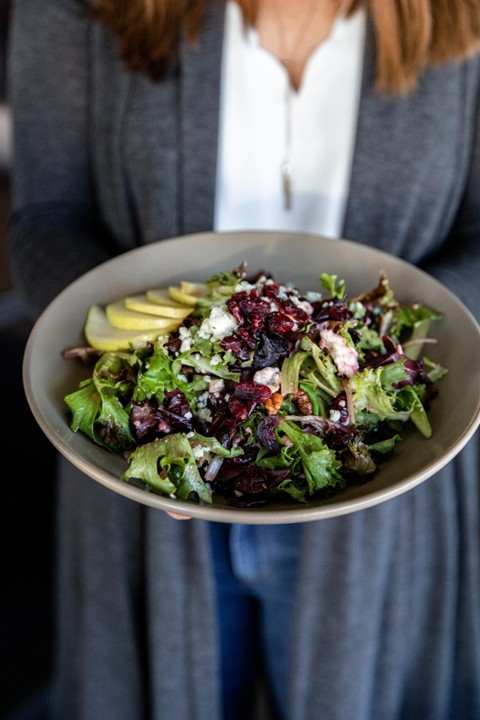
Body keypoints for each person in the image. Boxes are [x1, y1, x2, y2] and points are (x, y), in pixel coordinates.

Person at [6, 1, 480, 718]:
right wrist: (131, 367)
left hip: (391, 498)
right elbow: (44, 220)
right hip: (138, 498)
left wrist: (392, 355)